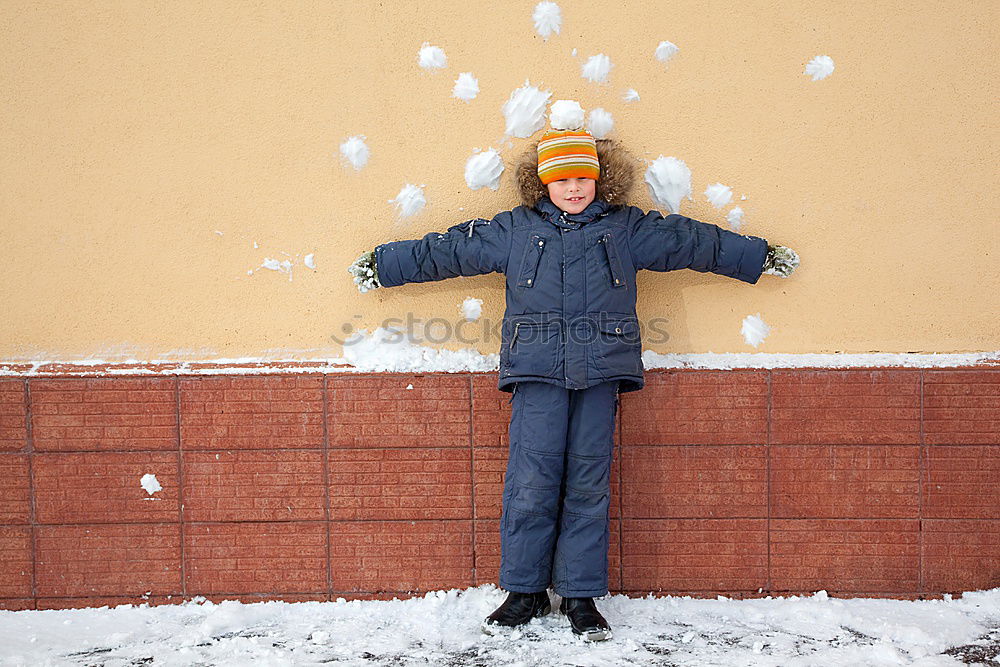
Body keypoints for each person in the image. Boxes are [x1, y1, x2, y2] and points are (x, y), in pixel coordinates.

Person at [348, 125, 799, 641]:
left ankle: (580, 596)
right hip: (538, 372)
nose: (574, 189)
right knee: (531, 482)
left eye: (583, 177)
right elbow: (448, 250)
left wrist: (754, 255)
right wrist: (383, 265)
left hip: (602, 370)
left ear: (598, 179)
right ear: (544, 185)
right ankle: (524, 591)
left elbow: (689, 241)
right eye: (561, 180)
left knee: (588, 484)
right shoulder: (515, 230)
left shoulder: (624, 228)